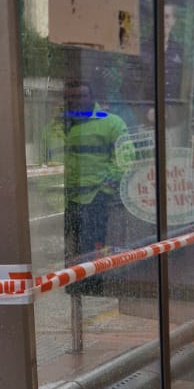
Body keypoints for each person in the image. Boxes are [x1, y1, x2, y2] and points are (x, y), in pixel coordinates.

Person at [45, 80, 134, 262]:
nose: (74, 100)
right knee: (63, 253)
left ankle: (92, 288)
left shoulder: (111, 123)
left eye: (80, 95)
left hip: (94, 199)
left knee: (91, 251)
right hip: (62, 200)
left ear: (91, 98)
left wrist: (104, 188)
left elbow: (125, 158)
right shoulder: (55, 127)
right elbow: (45, 161)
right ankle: (72, 289)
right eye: (69, 96)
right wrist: (47, 193)